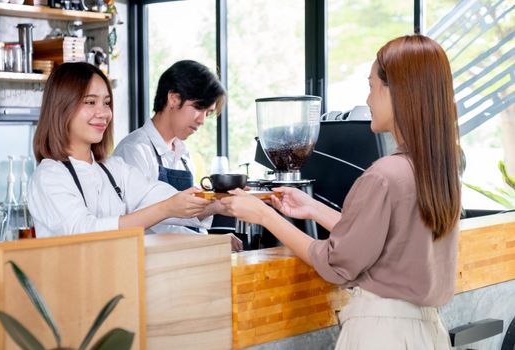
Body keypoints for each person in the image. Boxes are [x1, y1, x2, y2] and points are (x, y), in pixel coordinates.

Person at [221, 34, 461, 349]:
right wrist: (312, 209)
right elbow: (385, 240)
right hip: (427, 333)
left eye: (372, 86)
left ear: (398, 92)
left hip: (380, 334)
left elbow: (336, 262)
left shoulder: (385, 175)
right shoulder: (439, 171)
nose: (369, 100)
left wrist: (264, 215)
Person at [29, 62, 218, 238]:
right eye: (90, 102)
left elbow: (162, 197)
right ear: (62, 107)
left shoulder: (113, 168)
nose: (103, 113)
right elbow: (85, 232)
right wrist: (166, 208)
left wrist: (220, 203)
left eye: (106, 103)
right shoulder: (49, 175)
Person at [113, 60, 242, 250]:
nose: (202, 120)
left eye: (208, 112)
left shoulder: (183, 154)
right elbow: (146, 221)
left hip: (179, 258)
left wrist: (216, 211)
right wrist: (209, 241)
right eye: (199, 108)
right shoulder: (134, 150)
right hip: (147, 262)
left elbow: (181, 217)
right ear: (173, 99)